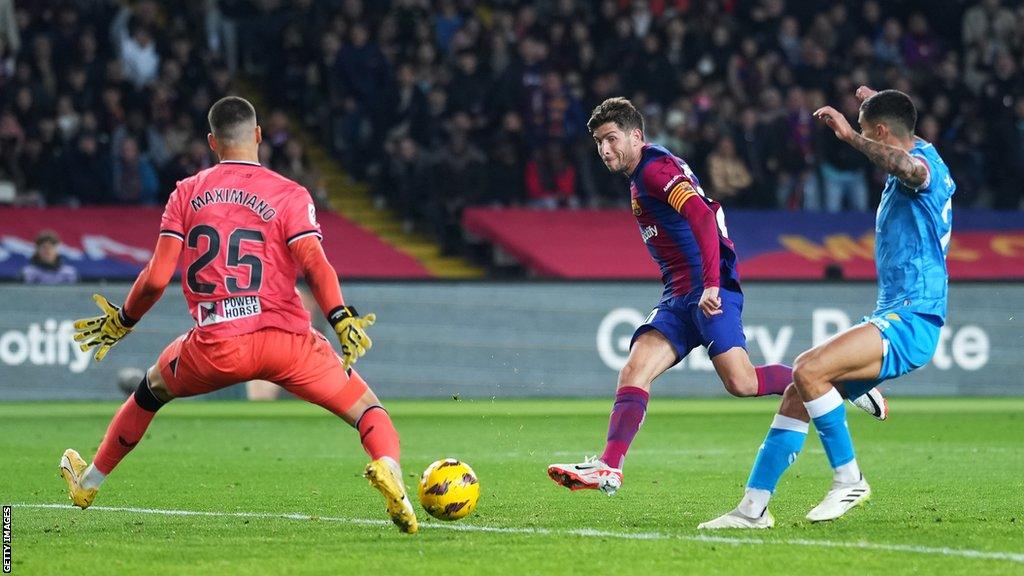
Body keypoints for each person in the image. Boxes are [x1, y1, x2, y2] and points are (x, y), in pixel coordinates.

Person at [59, 96, 418, 534]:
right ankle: (389, 473)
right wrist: (339, 315)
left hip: (215, 345)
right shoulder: (290, 193)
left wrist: (124, 320)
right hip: (288, 343)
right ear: (259, 136)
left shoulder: (187, 192)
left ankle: (89, 482)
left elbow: (156, 278)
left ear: (212, 142)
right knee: (367, 411)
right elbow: (314, 261)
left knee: (150, 390)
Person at [547, 97, 886, 496]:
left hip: (709, 288)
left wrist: (710, 283)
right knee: (634, 370)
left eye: (611, 139)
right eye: (599, 142)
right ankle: (609, 467)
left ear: (636, 136)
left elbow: (703, 216)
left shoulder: (656, 170)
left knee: (741, 382)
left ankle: (841, 381)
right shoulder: (642, 174)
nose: (605, 149)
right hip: (678, 294)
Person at [699, 87, 954, 529]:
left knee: (808, 368)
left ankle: (848, 478)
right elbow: (900, 127)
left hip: (913, 315)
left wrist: (852, 137)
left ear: (878, 133)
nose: (861, 138)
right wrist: (880, 103)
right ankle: (752, 508)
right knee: (801, 392)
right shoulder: (924, 149)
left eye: (867, 132)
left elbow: (906, 164)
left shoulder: (922, 168)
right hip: (894, 310)